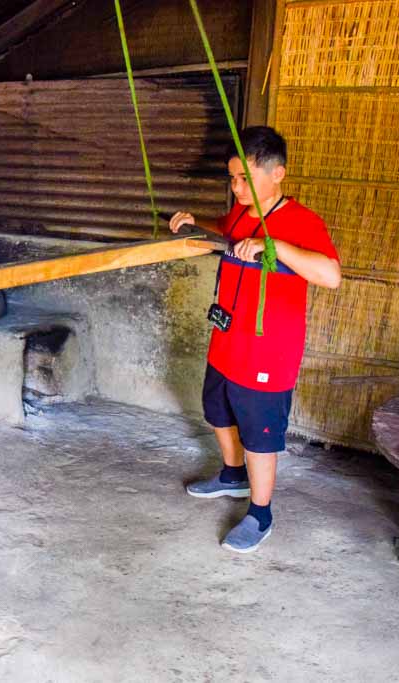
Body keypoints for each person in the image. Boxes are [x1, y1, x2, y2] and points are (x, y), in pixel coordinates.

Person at [170, 126, 341, 553]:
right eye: (232, 178)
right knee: (217, 411)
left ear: (278, 173)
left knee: (259, 438)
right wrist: (195, 222)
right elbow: (225, 226)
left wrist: (276, 245)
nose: (236, 187)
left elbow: (330, 276)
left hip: (268, 352)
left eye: (245, 178)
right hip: (227, 339)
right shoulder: (243, 214)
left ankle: (261, 513)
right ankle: (231, 475)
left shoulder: (301, 221)